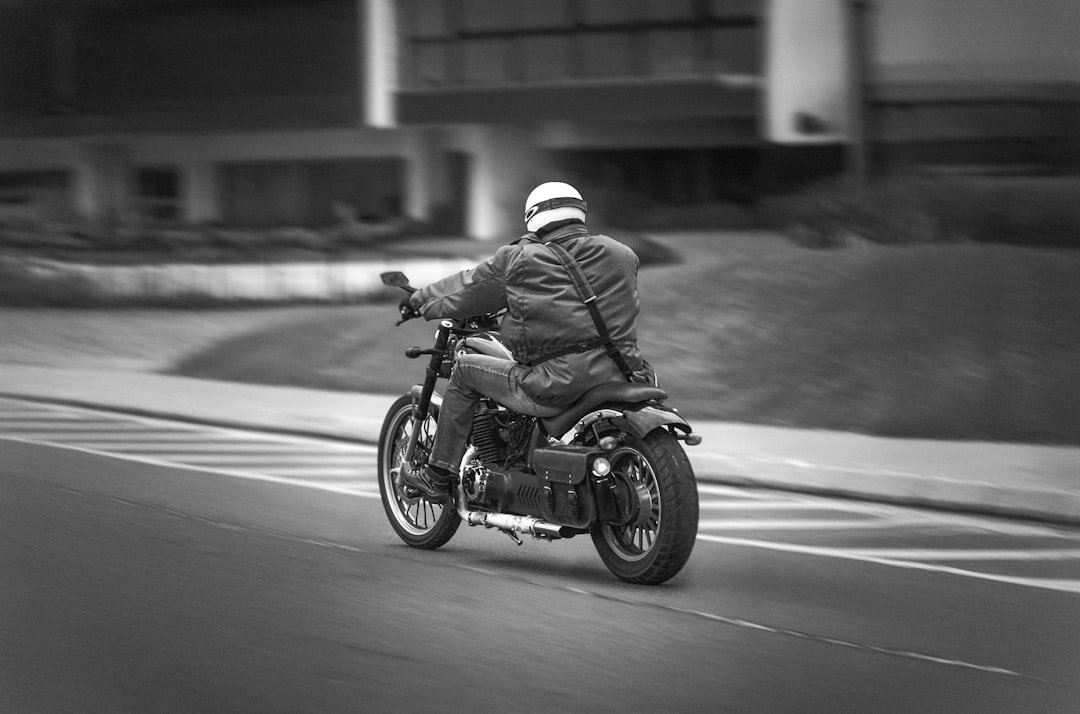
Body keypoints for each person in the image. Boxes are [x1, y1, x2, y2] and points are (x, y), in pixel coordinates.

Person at [398, 181, 650, 503]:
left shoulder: (521, 259)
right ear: (579, 213)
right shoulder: (622, 255)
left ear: (533, 218)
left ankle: (437, 477)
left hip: (557, 382)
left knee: (464, 370)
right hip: (619, 372)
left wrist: (419, 300)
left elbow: (466, 289)